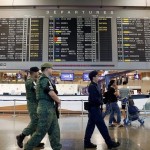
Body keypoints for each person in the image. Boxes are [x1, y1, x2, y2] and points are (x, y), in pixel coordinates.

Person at [24, 63, 62, 150]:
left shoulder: (46, 79)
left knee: (55, 131)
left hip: (50, 108)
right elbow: (51, 93)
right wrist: (58, 100)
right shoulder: (43, 79)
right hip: (45, 108)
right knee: (40, 132)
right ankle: (28, 147)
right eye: (51, 68)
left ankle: (57, 148)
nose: (52, 70)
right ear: (47, 69)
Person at [84, 71, 120, 149]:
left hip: (95, 109)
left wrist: (102, 100)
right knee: (102, 126)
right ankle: (109, 143)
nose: (98, 77)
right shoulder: (92, 86)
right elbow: (94, 98)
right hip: (94, 109)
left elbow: (98, 97)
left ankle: (87, 142)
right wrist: (102, 101)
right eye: (97, 76)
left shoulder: (96, 85)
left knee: (90, 126)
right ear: (93, 77)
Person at [16, 67, 44, 148]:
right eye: (38, 72)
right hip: (32, 104)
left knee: (36, 122)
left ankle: (34, 141)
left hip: (36, 104)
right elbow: (37, 90)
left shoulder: (34, 80)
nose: (38, 74)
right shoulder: (30, 81)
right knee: (35, 121)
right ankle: (21, 136)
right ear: (34, 72)